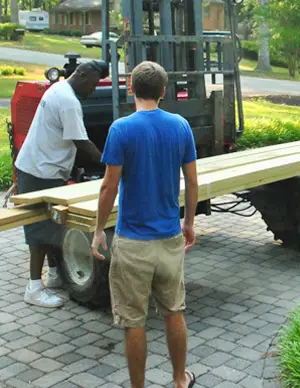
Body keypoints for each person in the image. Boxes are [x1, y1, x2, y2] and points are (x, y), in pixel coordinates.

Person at [91, 61, 199, 388]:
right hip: (169, 239)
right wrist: (189, 223)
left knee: (133, 322)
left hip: (132, 243)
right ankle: (180, 379)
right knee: (173, 311)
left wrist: (98, 230)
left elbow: (109, 186)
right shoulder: (180, 126)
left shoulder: (121, 129)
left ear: (130, 88)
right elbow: (192, 181)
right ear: (164, 91)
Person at [15, 60, 108, 308]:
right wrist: (113, 164)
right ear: (84, 75)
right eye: (95, 83)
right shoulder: (69, 102)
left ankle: (55, 276)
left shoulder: (58, 88)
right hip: (40, 171)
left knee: (52, 225)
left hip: (42, 167)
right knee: (39, 232)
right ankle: (34, 288)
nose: (94, 89)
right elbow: (82, 142)